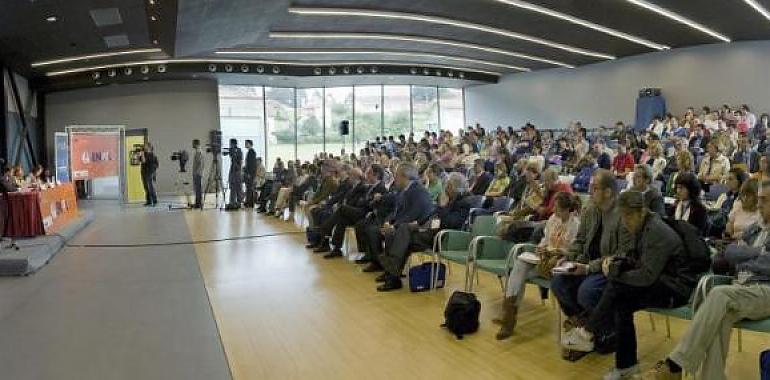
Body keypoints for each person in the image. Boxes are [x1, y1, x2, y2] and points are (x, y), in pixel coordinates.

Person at [644, 181, 770, 380]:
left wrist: (748, 257)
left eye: (764, 200)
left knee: (719, 294)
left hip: (765, 292)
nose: (759, 203)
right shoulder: (757, 227)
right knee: (720, 318)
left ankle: (675, 364)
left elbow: (766, 265)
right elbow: (730, 252)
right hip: (742, 289)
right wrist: (757, 254)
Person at [561, 191, 693, 379]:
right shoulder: (642, 226)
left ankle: (587, 331)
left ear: (641, 211)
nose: (625, 221)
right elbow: (635, 259)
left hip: (676, 288)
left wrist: (617, 275)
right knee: (621, 303)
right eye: (622, 216)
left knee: (617, 286)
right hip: (660, 281)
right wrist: (615, 262)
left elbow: (646, 276)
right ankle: (626, 365)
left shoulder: (656, 232)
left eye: (629, 215)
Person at [551, 169, 627, 359]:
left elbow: (619, 255)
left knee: (586, 291)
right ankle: (586, 329)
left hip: (607, 268)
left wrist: (588, 268)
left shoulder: (622, 216)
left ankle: (600, 331)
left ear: (608, 192)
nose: (589, 190)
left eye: (594, 188)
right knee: (558, 281)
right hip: (585, 262)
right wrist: (569, 257)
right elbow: (580, 239)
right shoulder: (590, 209)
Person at [495, 192, 581, 340]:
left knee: (520, 272)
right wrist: (540, 248)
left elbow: (574, 250)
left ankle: (508, 319)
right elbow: (545, 240)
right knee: (520, 264)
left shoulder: (576, 225)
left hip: (560, 262)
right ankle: (509, 316)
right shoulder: (553, 220)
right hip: (545, 257)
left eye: (557, 207)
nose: (553, 210)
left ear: (567, 210)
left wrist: (559, 251)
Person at [376, 172, 473, 291]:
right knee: (401, 231)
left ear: (454, 187)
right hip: (430, 231)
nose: (445, 189)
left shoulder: (463, 203)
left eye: (447, 186)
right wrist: (418, 223)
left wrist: (442, 206)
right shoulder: (450, 200)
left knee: (402, 235)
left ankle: (391, 272)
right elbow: (431, 215)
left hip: (443, 238)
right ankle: (392, 275)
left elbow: (451, 223)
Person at [360, 162, 434, 273]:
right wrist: (388, 222)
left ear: (405, 176)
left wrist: (393, 226)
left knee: (392, 234)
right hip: (404, 226)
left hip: (417, 229)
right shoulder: (403, 190)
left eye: (397, 175)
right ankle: (380, 264)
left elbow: (412, 215)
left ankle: (391, 271)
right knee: (373, 231)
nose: (394, 178)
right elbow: (396, 212)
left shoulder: (419, 191)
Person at [140, 141, 159, 206]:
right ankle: (148, 201)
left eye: (145, 146)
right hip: (144, 172)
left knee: (150, 187)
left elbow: (155, 165)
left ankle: (155, 201)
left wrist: (153, 173)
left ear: (149, 147)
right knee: (146, 187)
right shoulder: (144, 154)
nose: (144, 147)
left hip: (150, 173)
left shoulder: (152, 155)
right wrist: (140, 154)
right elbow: (141, 161)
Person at [226, 139, 244, 209]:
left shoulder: (238, 150)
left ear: (233, 144)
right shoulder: (233, 150)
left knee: (237, 187)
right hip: (234, 170)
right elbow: (226, 153)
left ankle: (237, 202)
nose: (229, 145)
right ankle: (233, 202)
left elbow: (239, 160)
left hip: (236, 170)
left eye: (230, 143)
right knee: (233, 187)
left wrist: (238, 168)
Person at [243, 140, 257, 208]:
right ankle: (248, 202)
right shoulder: (249, 152)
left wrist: (249, 173)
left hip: (250, 173)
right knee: (248, 188)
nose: (245, 144)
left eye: (246, 143)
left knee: (250, 188)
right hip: (248, 173)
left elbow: (252, 164)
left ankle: (250, 203)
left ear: (250, 144)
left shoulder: (252, 152)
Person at [192, 139, 204, 209]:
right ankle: (197, 203)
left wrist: (197, 173)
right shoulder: (197, 151)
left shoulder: (198, 151)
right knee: (197, 189)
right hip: (197, 173)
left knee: (198, 189)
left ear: (196, 144)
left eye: (193, 143)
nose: (192, 145)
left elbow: (200, 163)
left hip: (198, 174)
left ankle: (198, 204)